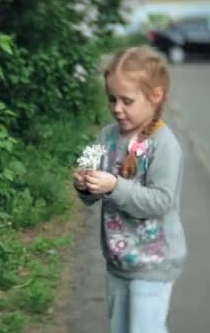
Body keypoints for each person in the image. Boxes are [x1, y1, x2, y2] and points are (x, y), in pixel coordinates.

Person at [73, 45, 186, 333]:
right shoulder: (105, 137)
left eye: (127, 100)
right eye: (112, 99)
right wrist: (85, 185)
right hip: (118, 261)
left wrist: (114, 187)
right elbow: (91, 184)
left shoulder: (164, 144)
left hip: (154, 262)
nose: (117, 109)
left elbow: (161, 201)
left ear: (155, 96)